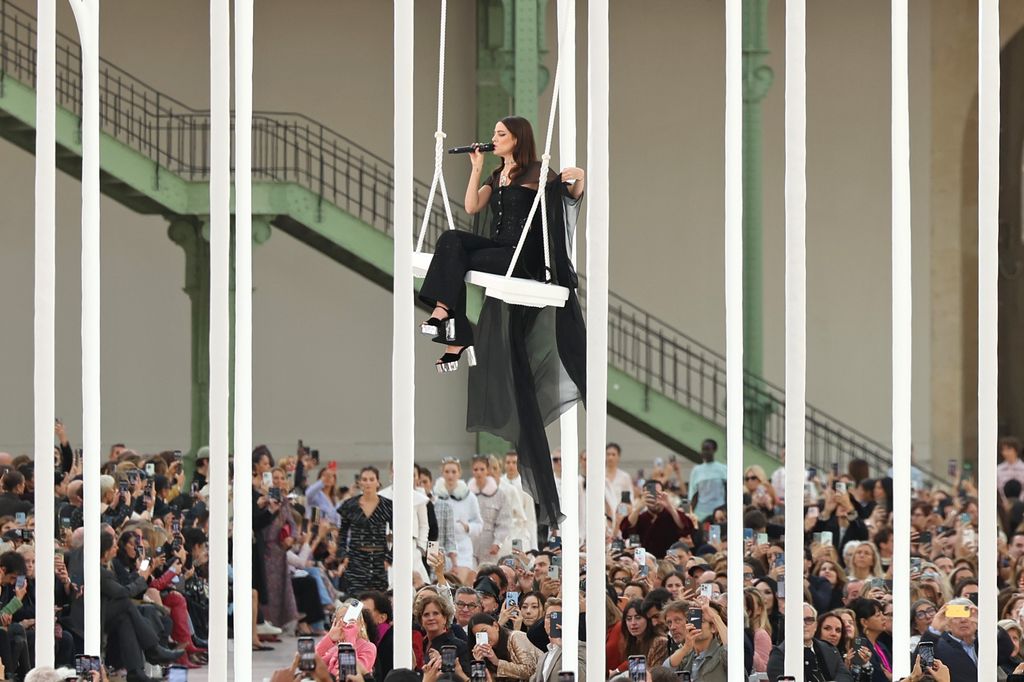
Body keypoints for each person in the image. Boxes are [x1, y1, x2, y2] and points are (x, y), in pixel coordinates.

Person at [419, 116, 586, 529]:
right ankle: (447, 317)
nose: (494, 139)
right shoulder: (499, 171)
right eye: (494, 135)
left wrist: (578, 179)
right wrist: (476, 168)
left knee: (452, 253)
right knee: (451, 242)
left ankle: (449, 321)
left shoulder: (536, 172)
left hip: (521, 259)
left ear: (517, 139)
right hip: (497, 249)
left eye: (500, 135)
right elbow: (473, 207)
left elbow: (570, 194)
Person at [337, 466, 393, 595]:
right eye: (365, 479)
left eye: (371, 479)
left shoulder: (387, 505)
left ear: (377, 482)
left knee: (379, 598)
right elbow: (343, 533)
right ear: (360, 482)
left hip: (379, 559)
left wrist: (389, 558)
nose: (368, 483)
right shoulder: (350, 505)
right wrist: (343, 555)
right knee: (356, 599)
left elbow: (398, 534)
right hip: (356, 558)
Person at [766, 603, 853, 682]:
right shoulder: (779, 654)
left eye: (809, 620)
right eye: (798, 620)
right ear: (789, 624)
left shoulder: (829, 649)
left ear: (815, 626)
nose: (803, 624)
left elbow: (845, 676)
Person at [433, 458, 482, 576]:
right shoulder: (435, 496)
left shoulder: (470, 497)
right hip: (440, 548)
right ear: (442, 472)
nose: (450, 475)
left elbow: (479, 524)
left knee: (460, 584)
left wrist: (467, 527)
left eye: (454, 472)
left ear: (459, 473)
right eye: (447, 472)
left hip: (462, 549)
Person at [469, 455, 517, 565]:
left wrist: (497, 542)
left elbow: (505, 521)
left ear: (487, 470)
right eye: (476, 469)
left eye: (482, 469)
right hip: (470, 544)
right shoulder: (466, 494)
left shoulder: (499, 495)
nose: (479, 473)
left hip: (490, 546)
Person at [467, 612, 543, 680]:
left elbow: (529, 670)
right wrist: (479, 663)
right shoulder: (487, 654)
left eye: (484, 631)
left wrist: (497, 662)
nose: (484, 637)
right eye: (478, 636)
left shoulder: (516, 637)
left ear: (495, 626)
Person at [529, 598, 585, 681]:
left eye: (558, 617)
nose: (552, 620)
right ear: (544, 623)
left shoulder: (580, 647)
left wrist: (564, 645)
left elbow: (581, 677)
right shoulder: (543, 657)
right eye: (549, 617)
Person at [688, 439, 728, 521]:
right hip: (700, 514)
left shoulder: (723, 469)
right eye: (703, 449)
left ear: (714, 450)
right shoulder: (696, 470)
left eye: (707, 449)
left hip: (718, 513)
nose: (705, 452)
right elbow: (693, 494)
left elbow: (728, 492)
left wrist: (725, 510)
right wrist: (690, 513)